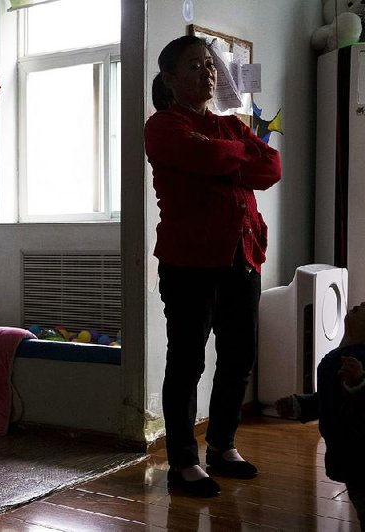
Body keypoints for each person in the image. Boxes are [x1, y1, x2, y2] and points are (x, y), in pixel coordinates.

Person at [144, 35, 282, 497]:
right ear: (170, 77)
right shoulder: (163, 126)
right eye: (195, 64)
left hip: (242, 257)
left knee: (239, 357)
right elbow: (205, 156)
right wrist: (235, 158)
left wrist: (229, 157)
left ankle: (222, 446)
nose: (207, 71)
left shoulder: (229, 127)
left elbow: (272, 168)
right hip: (190, 262)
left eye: (209, 63)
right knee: (186, 362)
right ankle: (183, 461)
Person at [317, 303, 365, 524]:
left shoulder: (356, 360)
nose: (361, 304)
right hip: (346, 453)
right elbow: (330, 400)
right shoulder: (336, 359)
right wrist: (301, 404)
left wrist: (357, 384)